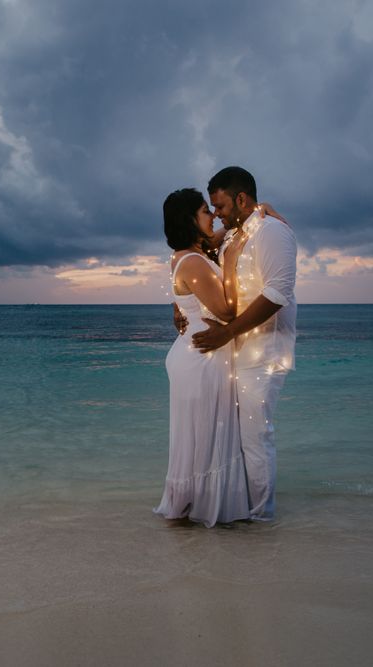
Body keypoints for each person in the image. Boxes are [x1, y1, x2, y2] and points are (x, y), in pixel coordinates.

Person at [189, 166, 297, 521]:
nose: (216, 214)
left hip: (263, 351)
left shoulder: (272, 232)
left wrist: (228, 331)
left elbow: (277, 293)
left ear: (241, 199)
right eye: (212, 208)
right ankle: (239, 508)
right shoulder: (234, 236)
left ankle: (262, 516)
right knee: (234, 436)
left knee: (255, 436)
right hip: (234, 351)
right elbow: (196, 249)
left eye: (220, 206)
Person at [154, 188, 251, 527]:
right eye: (205, 211)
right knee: (209, 433)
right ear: (190, 220)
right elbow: (226, 310)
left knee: (197, 436)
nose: (213, 216)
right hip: (202, 357)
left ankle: (192, 507)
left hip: (194, 354)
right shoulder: (194, 260)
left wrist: (257, 211)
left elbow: (227, 230)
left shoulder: (186, 254)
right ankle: (208, 508)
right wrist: (235, 256)